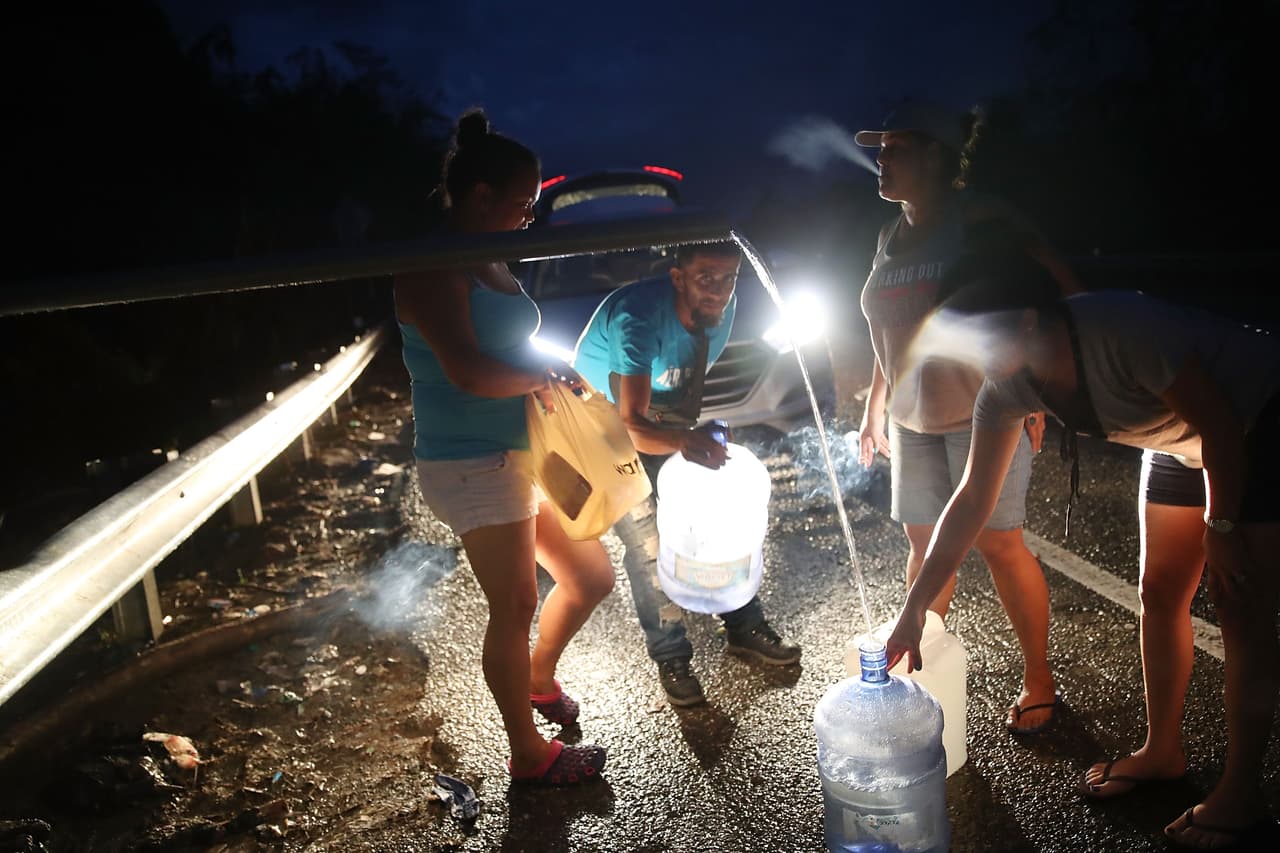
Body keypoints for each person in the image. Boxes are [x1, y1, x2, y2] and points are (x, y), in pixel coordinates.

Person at [884, 248, 1280, 848]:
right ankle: (1162, 752)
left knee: (1238, 607)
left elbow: (1224, 427)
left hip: (1257, 423)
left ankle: (1242, 794)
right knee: (1158, 593)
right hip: (1181, 443)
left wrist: (1221, 528)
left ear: (1024, 320)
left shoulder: (1122, 329)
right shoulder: (1007, 386)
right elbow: (972, 500)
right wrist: (913, 608)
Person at [394, 108, 613, 786]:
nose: (530, 214)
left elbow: (505, 346)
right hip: (468, 460)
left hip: (519, 449)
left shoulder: (485, 253)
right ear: (481, 196)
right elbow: (466, 367)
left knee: (589, 576)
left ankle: (538, 678)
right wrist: (541, 375)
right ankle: (529, 753)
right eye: (522, 202)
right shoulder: (434, 267)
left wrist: (553, 374)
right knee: (516, 602)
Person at [850, 99, 1082, 733]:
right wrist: (876, 403)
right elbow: (893, 331)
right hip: (910, 417)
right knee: (924, 546)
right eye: (879, 148)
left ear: (934, 154)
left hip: (985, 410)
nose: (881, 159)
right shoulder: (888, 234)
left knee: (999, 543)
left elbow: (1060, 286)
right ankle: (919, 667)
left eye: (895, 148)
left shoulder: (978, 218)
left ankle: (1040, 679)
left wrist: (1041, 382)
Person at [571, 240, 801, 707]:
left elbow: (679, 387)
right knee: (647, 542)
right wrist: (684, 441)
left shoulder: (722, 306)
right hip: (601, 427)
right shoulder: (638, 319)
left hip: (655, 420)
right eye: (706, 279)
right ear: (678, 277)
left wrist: (697, 435)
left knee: (715, 512)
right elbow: (631, 424)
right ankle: (671, 656)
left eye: (729, 278)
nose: (719, 290)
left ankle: (742, 623)